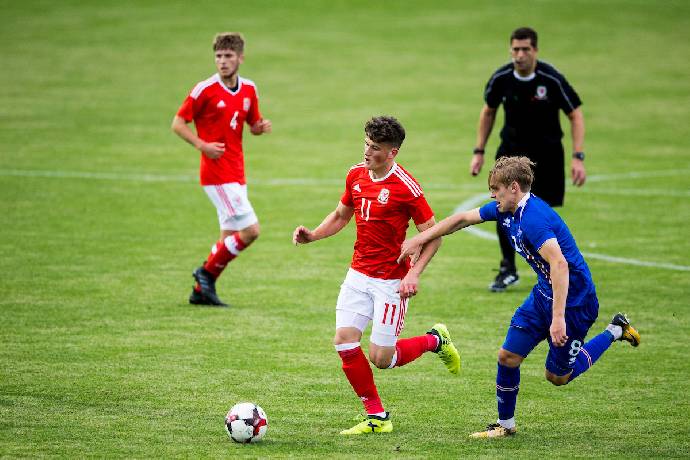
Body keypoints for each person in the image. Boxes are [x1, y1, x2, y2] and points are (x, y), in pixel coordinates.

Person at [399, 156, 640, 438]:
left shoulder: (534, 220)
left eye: (495, 189)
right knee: (508, 356)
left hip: (574, 303)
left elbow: (560, 265)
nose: (491, 194)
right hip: (543, 295)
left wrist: (559, 319)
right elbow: (462, 219)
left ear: (513, 187)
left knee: (558, 377)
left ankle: (614, 330)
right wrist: (419, 239)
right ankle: (505, 426)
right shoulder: (506, 209)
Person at [292, 116, 461, 435]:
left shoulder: (406, 187)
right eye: (366, 144)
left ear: (393, 152)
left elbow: (433, 235)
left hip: (391, 282)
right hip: (358, 275)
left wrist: (414, 274)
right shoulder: (355, 174)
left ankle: (434, 340)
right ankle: (377, 417)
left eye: (375, 148)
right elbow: (342, 215)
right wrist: (312, 235)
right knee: (344, 341)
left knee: (382, 358)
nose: (367, 152)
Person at [469, 27, 587, 292]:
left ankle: (549, 267)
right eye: (515, 49)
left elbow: (575, 114)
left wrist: (578, 156)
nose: (519, 55)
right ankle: (507, 268)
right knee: (502, 207)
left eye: (525, 49)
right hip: (510, 156)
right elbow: (488, 112)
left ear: (535, 50)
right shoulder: (501, 78)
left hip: (547, 156)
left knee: (541, 212)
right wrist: (479, 151)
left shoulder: (551, 78)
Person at [171, 32, 271, 306]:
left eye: (228, 56)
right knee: (251, 231)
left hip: (237, 172)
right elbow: (178, 123)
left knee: (228, 237)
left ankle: (202, 291)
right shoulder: (204, 89)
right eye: (218, 56)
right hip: (217, 174)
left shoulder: (249, 89)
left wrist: (259, 128)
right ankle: (204, 271)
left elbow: (252, 124)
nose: (222, 61)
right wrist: (202, 144)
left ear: (240, 58)